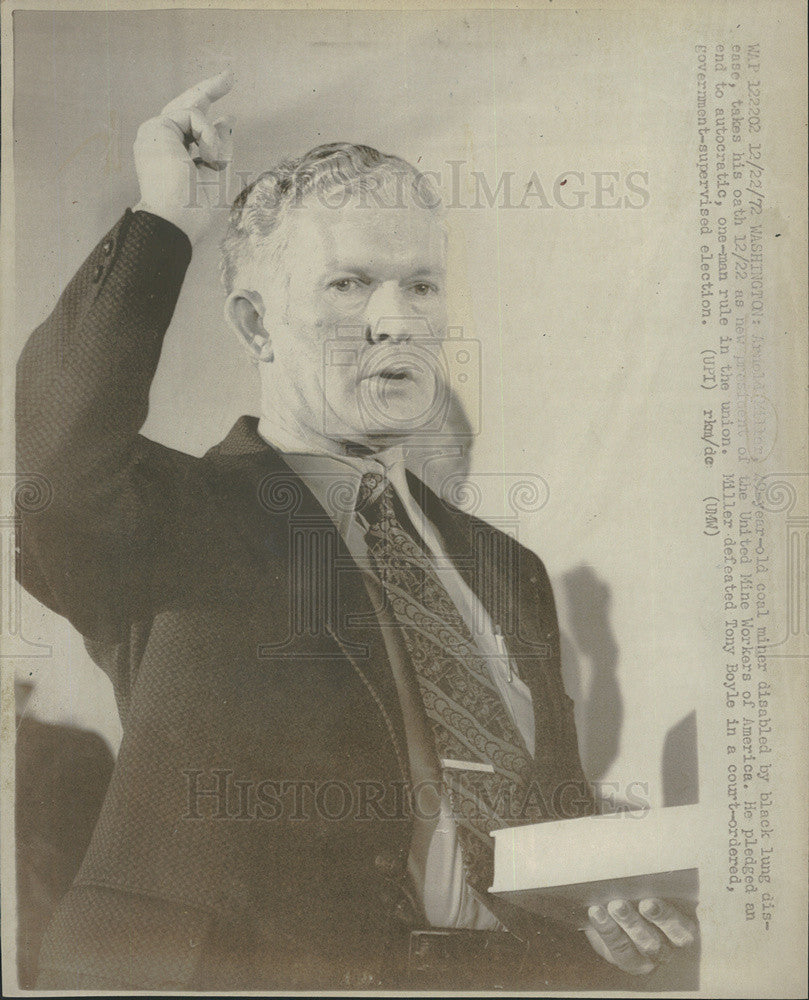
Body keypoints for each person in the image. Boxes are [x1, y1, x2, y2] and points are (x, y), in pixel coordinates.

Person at [16, 71, 698, 990]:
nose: (399, 322)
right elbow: (51, 455)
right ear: (256, 325)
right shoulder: (173, 517)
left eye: (421, 284)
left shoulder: (507, 566)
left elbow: (543, 831)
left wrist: (602, 909)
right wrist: (165, 217)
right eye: (351, 285)